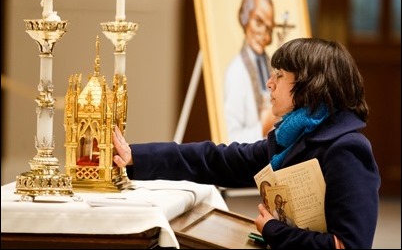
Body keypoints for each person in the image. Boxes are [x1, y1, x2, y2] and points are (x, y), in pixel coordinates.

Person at [113, 37, 381, 249]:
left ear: (310, 85)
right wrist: (135, 156)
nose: (269, 84)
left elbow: (349, 245)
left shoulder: (346, 150)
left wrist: (275, 231)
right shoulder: (294, 137)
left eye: (279, 75)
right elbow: (217, 160)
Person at [223, 0, 278, 143]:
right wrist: (264, 125)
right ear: (245, 18)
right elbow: (229, 139)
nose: (264, 34)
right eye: (258, 22)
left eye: (268, 28)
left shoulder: (270, 65)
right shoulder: (237, 72)